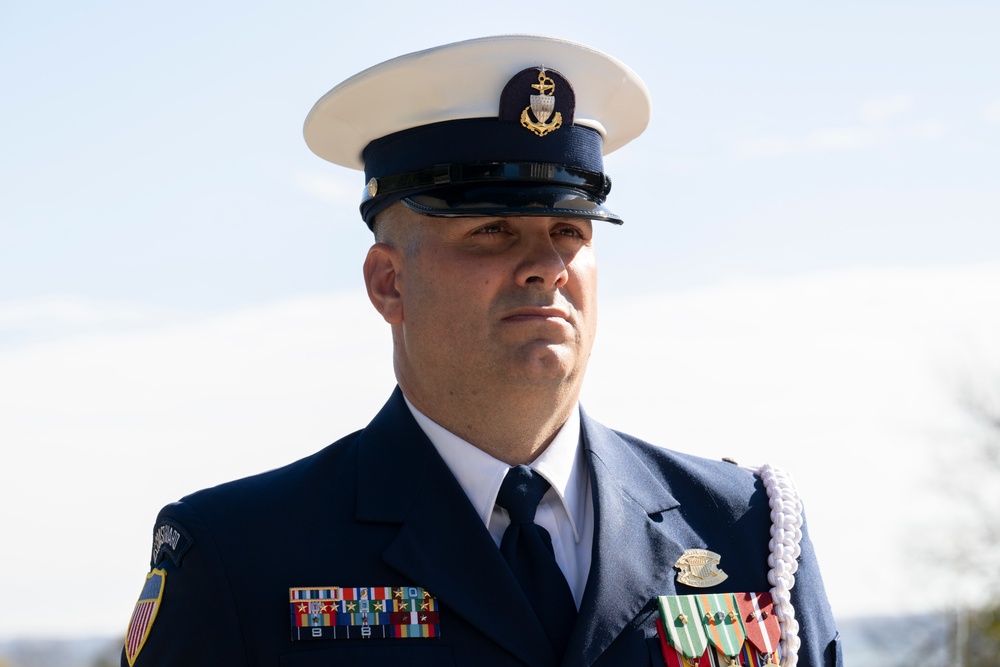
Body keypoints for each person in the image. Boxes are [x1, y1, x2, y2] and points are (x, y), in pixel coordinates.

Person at [121, 35, 841, 667]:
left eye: (572, 232)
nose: (546, 265)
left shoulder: (744, 531)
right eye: (493, 230)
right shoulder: (240, 556)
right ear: (388, 282)